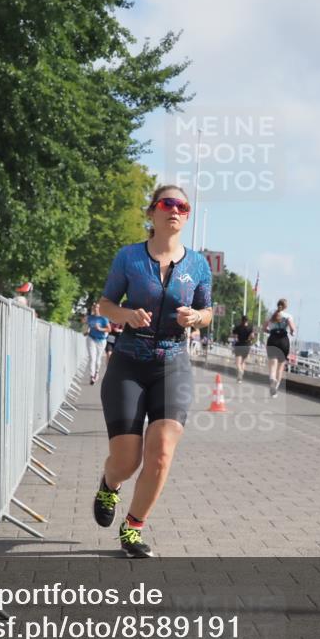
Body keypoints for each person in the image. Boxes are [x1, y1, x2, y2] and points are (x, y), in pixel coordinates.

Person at [92, 185, 212, 558]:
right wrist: (126, 314)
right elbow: (105, 304)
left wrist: (196, 317)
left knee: (161, 454)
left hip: (172, 364)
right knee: (127, 460)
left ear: (186, 216)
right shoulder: (129, 257)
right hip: (128, 363)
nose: (175, 210)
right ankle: (109, 484)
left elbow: (208, 312)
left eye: (183, 206)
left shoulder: (198, 264)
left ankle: (133, 528)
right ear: (152, 212)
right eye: (167, 203)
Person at [265, 299, 296, 397]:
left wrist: (270, 331)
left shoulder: (270, 315)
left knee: (273, 364)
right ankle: (275, 388)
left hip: (272, 339)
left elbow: (264, 328)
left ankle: (272, 378)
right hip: (283, 341)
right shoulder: (288, 316)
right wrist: (292, 332)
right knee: (281, 366)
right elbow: (292, 329)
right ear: (285, 307)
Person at [84, 303, 110, 384]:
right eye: (94, 307)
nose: (95, 309)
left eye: (97, 307)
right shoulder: (90, 318)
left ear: (100, 309)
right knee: (92, 358)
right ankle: (92, 376)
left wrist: (100, 329)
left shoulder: (104, 318)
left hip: (101, 340)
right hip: (91, 338)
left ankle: (97, 372)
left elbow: (109, 329)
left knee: (98, 359)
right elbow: (87, 325)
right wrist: (86, 331)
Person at [231, 315, 255, 383]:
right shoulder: (250, 327)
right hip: (246, 345)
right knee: (243, 362)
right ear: (247, 320)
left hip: (239, 345)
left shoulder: (238, 327)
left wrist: (237, 337)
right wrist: (250, 338)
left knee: (238, 363)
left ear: (241, 320)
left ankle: (240, 371)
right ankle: (240, 378)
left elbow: (234, 335)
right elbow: (252, 336)